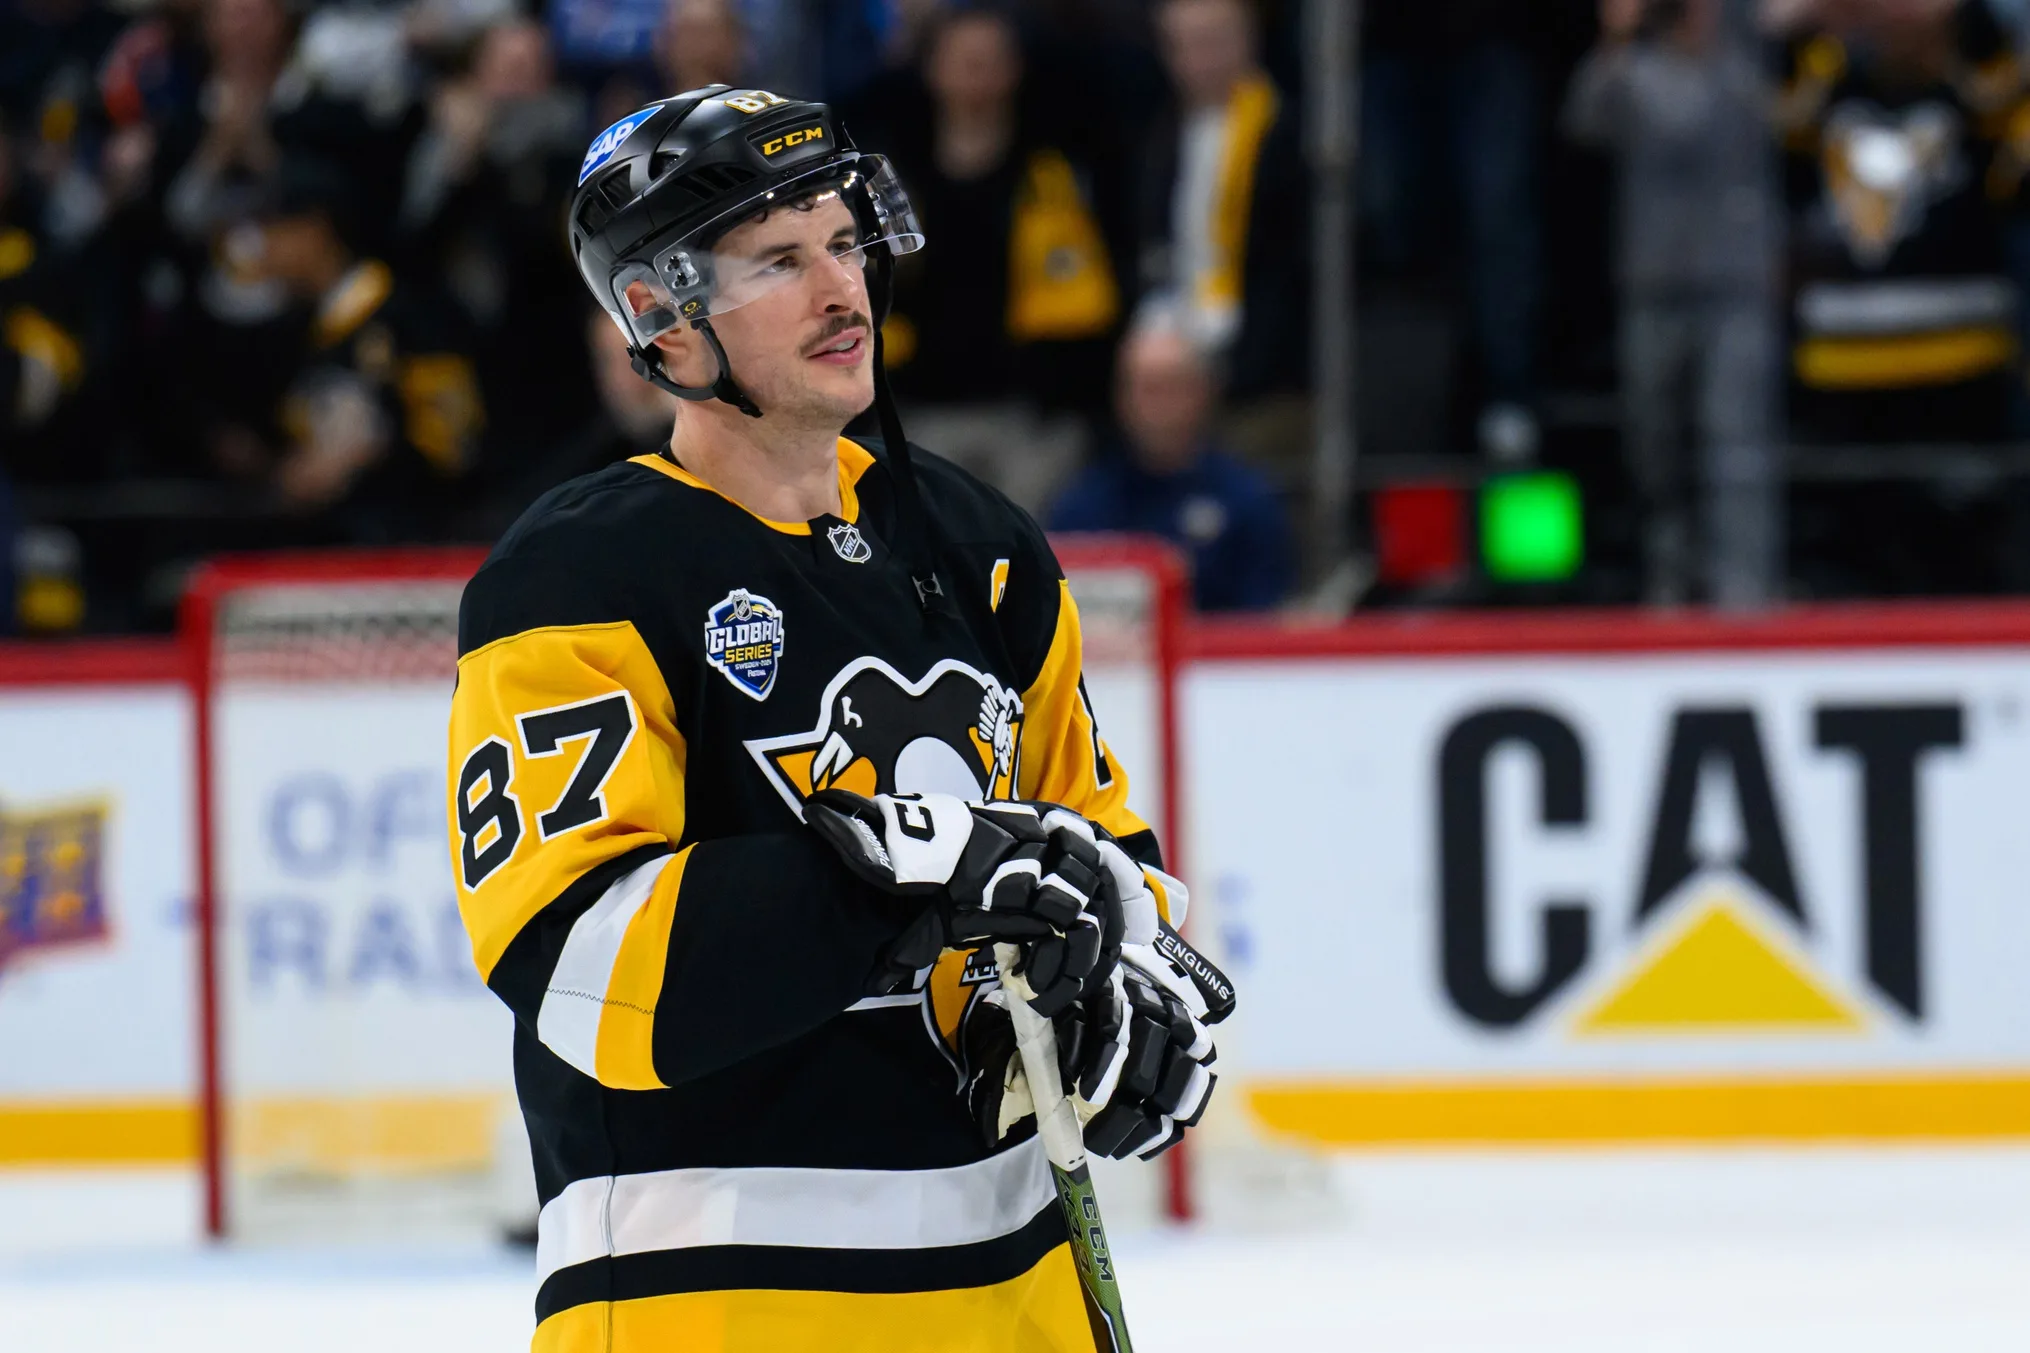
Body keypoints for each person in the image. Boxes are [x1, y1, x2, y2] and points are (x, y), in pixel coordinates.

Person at [446, 87, 1231, 1351]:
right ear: (659, 314)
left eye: (844, 242)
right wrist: (910, 874)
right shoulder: (578, 577)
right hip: (714, 1298)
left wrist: (1122, 963)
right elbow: (579, 962)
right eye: (778, 261)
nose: (839, 291)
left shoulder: (977, 545)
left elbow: (1091, 841)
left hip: (1015, 1293)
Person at [859, 7, 1128, 512]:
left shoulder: (1052, 173)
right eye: (963, 59)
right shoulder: (893, 179)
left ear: (1015, 69)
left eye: (990, 60)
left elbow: (1089, 289)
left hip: (1030, 417)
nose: (977, 73)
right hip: (920, 410)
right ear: (933, 69)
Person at [1564, 0, 1782, 607]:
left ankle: (1745, 588)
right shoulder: (1635, 73)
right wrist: (1616, 34)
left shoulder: (1749, 57)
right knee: (1654, 440)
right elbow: (1585, 122)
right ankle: (1669, 582)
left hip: (1736, 279)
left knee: (1736, 442)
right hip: (1653, 280)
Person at [252, 155, 483, 538]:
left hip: (411, 548)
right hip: (325, 546)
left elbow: (456, 446)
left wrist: (365, 460)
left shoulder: (407, 317)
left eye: (270, 231)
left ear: (315, 229)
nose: (262, 251)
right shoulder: (295, 330)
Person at [1137, 0, 1310, 479]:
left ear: (1248, 41)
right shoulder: (1162, 132)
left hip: (1258, 370)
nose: (1200, 60)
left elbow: (1289, 265)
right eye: (1185, 45)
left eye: (1213, 41)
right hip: (1177, 350)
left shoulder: (1284, 131)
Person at [1051, 322, 1294, 611]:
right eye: (1145, 388)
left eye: (1172, 386)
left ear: (1204, 391)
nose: (1157, 407)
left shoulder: (1248, 502)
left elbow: (1265, 617)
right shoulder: (1080, 507)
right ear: (1121, 398)